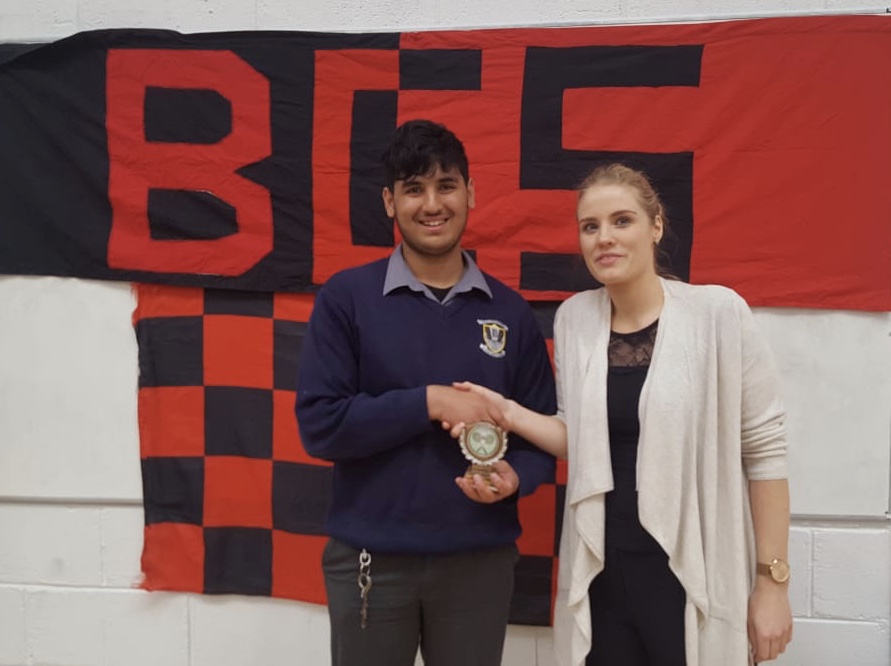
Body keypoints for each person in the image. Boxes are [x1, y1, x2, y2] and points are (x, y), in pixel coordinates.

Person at [447, 164, 793, 665]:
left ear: (656, 226)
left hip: (688, 573)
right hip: (602, 573)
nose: (604, 238)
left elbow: (765, 452)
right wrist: (505, 412)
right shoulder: (575, 319)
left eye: (622, 221)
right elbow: (578, 436)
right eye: (590, 226)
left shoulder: (718, 314)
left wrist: (772, 584)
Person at [295, 119, 557, 666]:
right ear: (389, 202)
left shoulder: (510, 313)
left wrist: (515, 479)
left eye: (446, 186)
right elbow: (321, 426)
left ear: (470, 193)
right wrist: (431, 401)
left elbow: (543, 437)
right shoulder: (346, 299)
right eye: (414, 189)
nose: (432, 204)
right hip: (371, 560)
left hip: (479, 563)